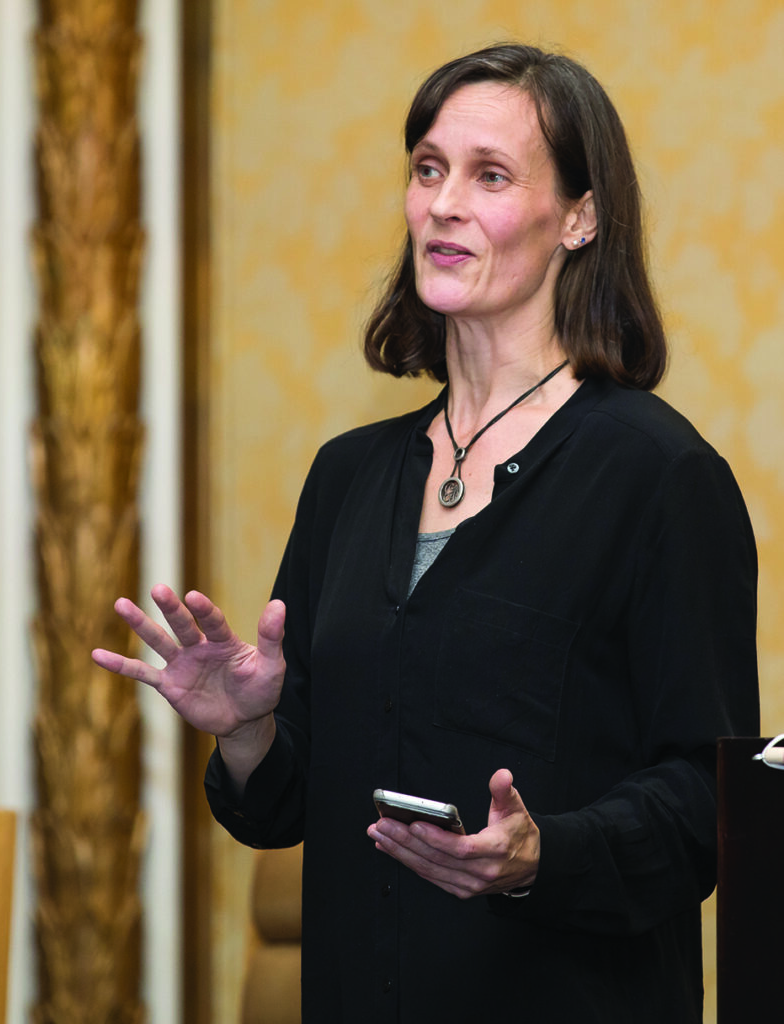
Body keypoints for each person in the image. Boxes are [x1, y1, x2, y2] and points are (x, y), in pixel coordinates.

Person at [92, 42, 759, 1023]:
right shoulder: (348, 477)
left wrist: (541, 854)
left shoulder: (659, 477)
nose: (443, 203)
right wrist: (248, 731)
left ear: (580, 215)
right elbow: (280, 805)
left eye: (489, 175)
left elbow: (706, 810)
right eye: (427, 168)